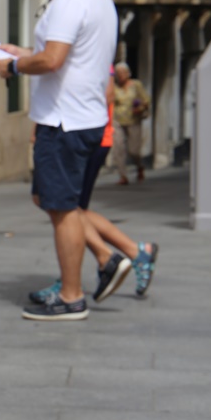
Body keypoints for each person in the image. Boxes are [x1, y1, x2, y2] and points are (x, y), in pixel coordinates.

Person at [0, 0, 117, 321]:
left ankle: (71, 296)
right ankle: (101, 258)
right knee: (58, 203)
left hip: (65, 121)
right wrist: (23, 54)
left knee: (63, 208)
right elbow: (67, 57)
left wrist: (14, 66)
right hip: (86, 117)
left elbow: (53, 60)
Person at [28, 71, 159, 305]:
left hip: (78, 131)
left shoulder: (88, 49)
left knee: (67, 207)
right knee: (59, 204)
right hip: (72, 128)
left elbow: (104, 93)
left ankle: (94, 267)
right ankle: (133, 253)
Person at [111, 61, 150, 185]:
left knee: (134, 150)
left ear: (128, 73)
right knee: (118, 148)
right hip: (117, 120)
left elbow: (146, 100)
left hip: (133, 120)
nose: (121, 75)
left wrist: (139, 108)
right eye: (118, 73)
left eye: (123, 72)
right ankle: (123, 175)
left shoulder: (136, 85)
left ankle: (139, 166)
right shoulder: (114, 87)